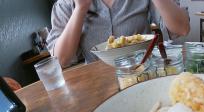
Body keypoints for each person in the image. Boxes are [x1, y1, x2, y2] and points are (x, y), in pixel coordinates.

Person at [47, 0, 190, 67]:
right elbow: (60, 60)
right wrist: (80, 7)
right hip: (96, 83)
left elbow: (182, 28)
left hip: (143, 72)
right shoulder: (65, 4)